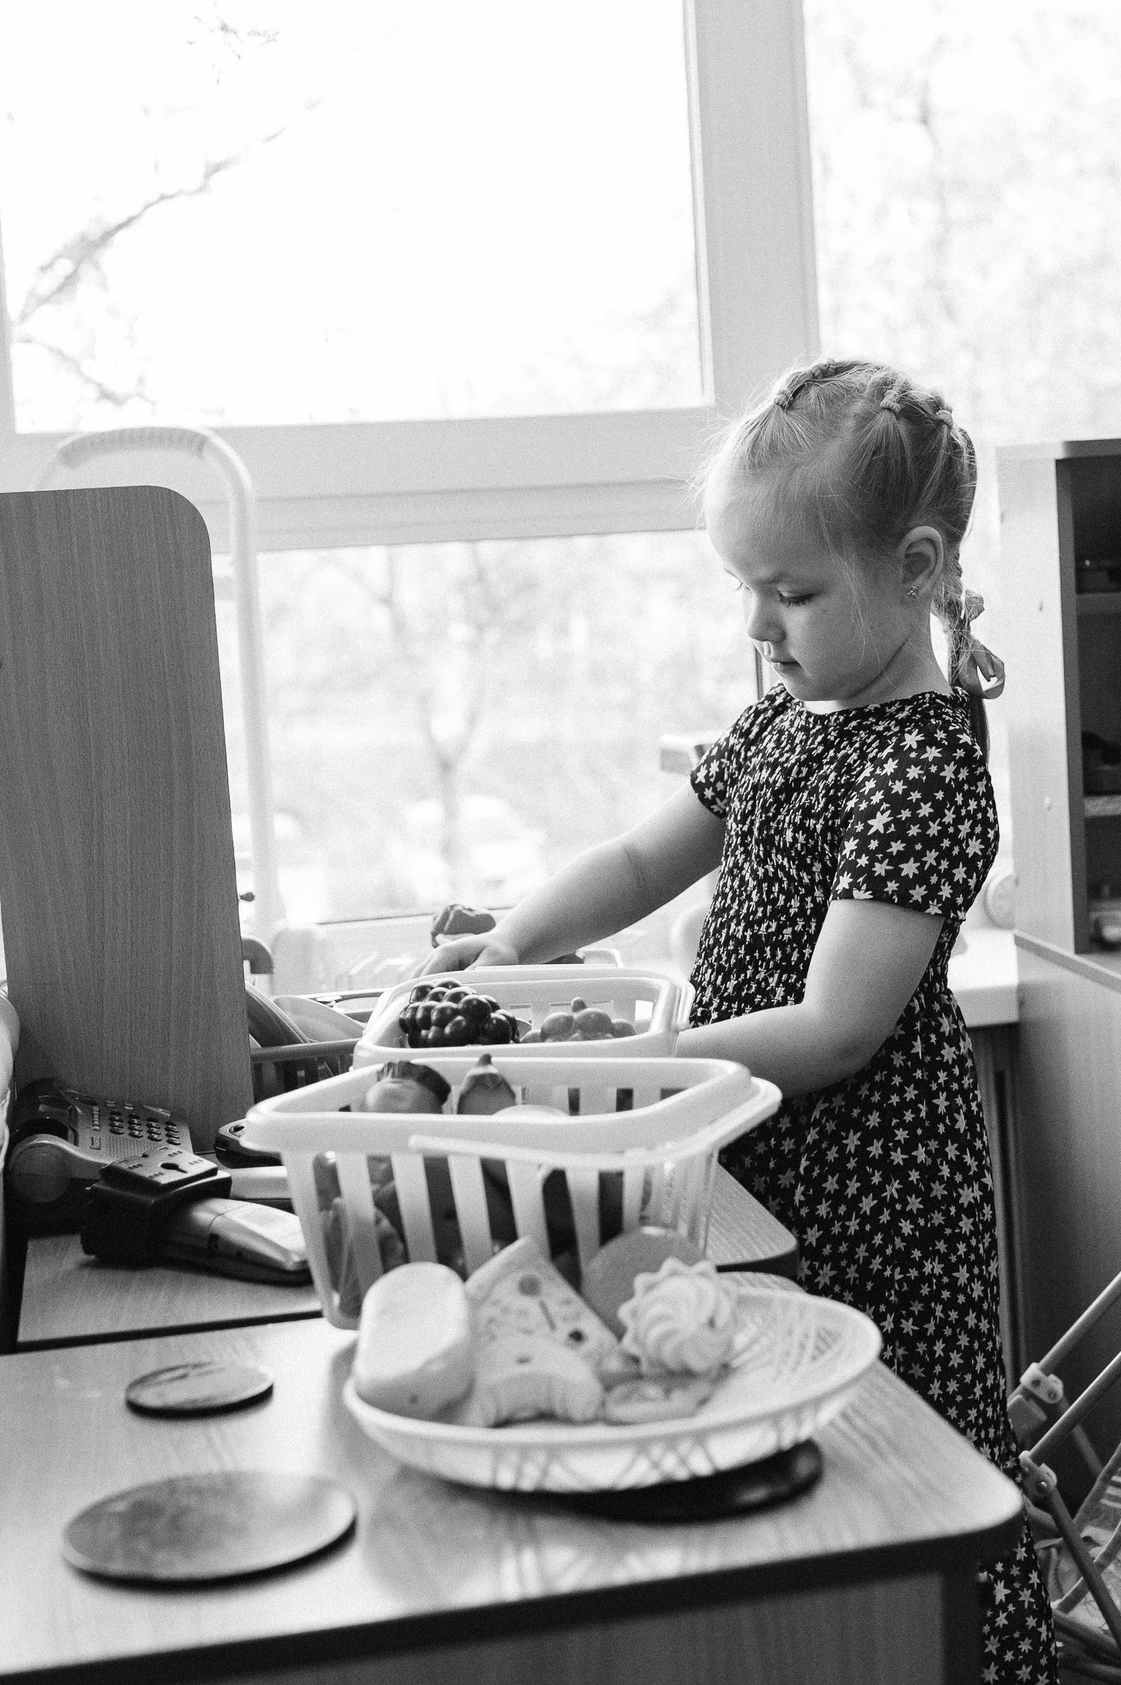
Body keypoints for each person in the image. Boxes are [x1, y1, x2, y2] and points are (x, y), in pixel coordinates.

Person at [424, 357, 1053, 1681]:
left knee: (894, 1458)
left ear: (919, 564)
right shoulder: (785, 718)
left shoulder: (927, 759)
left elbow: (835, 1027)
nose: (763, 626)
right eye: (746, 590)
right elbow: (645, 855)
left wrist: (643, 1061)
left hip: (870, 1173)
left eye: (796, 590)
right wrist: (519, 939)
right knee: (766, 1433)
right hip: (754, 1137)